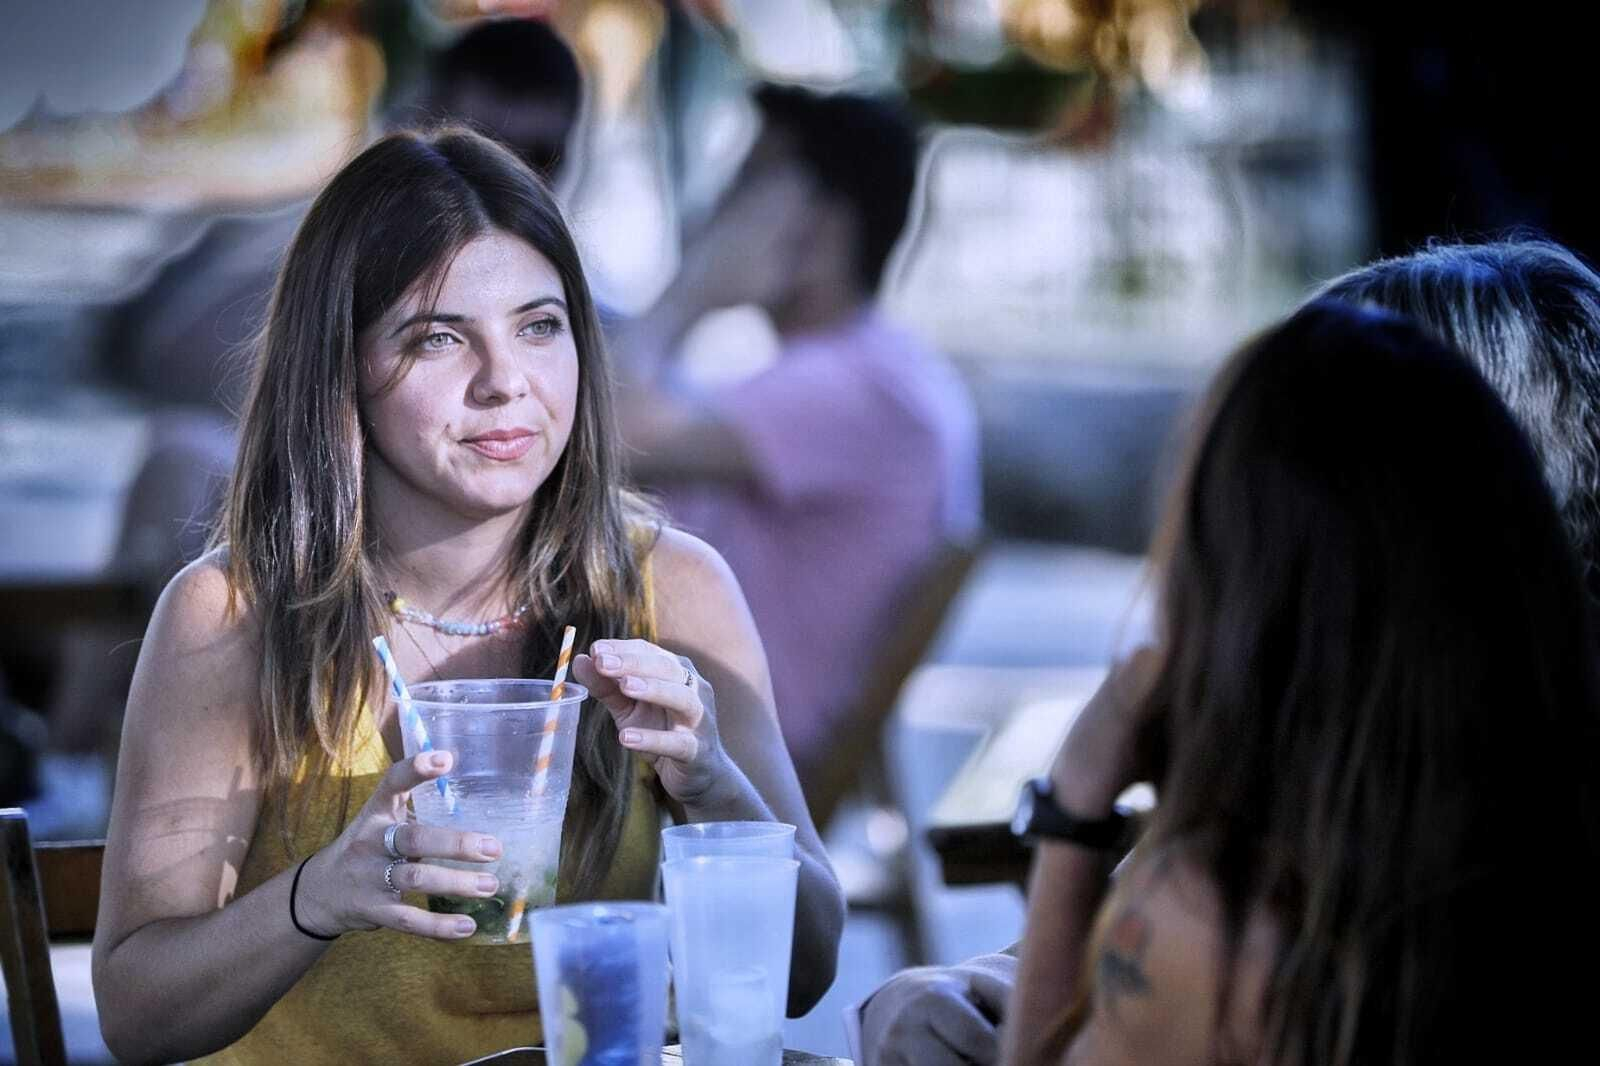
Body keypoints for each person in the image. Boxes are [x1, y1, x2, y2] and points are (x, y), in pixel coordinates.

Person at [90, 126, 845, 1065]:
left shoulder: (673, 589)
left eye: (539, 326)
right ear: (341, 366)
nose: (505, 383)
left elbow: (808, 969)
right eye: (439, 338)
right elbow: (135, 1016)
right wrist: (317, 896)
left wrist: (712, 785)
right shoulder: (233, 618)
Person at [856, 237, 1600, 1065]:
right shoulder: (1341, 768)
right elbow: (1123, 968)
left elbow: (1166, 967)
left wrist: (1074, 816)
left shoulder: (1333, 843)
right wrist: (941, 992)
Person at [28, 18, 588, 838]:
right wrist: (342, 229)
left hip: (484, 577)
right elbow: (146, 347)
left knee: (180, 466)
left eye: (533, 156)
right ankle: (73, 769)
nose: (493, 177)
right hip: (326, 539)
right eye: (466, 143)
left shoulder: (583, 315)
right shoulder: (319, 253)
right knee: (180, 463)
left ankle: (72, 767)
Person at [614, 84, 980, 784]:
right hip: (714, 734)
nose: (720, 206)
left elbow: (604, 436)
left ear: (821, 225)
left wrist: (695, 285)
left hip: (730, 760)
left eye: (750, 182)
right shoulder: (871, 369)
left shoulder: (853, 387)